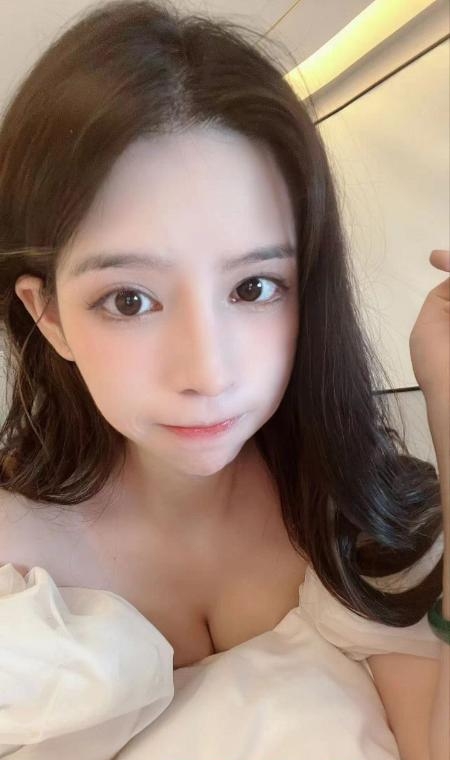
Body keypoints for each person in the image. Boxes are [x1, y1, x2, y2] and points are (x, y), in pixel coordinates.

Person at [0, 2, 448, 759]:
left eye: (253, 288)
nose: (208, 373)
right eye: (129, 300)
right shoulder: (14, 568)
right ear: (49, 318)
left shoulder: (367, 524)